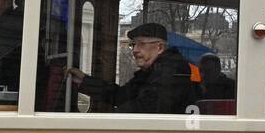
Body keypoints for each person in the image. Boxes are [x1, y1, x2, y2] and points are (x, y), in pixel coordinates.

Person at [69, 22, 197, 114]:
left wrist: (109, 118)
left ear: (160, 48)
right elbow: (121, 95)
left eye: (141, 44)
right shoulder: (149, 73)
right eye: (133, 44)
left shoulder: (172, 73)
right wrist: (85, 81)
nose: (135, 50)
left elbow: (145, 108)